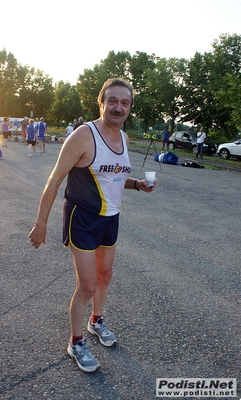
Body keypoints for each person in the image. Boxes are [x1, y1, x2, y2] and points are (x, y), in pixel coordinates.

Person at [29, 78, 158, 373]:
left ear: (129, 109)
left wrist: (136, 184)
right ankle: (76, 342)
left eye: (125, 103)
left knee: (105, 275)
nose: (118, 107)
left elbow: (111, 176)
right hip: (83, 218)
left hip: (111, 219)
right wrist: (40, 223)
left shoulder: (124, 139)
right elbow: (54, 179)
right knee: (86, 285)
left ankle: (95, 321)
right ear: (101, 103)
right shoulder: (84, 135)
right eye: (112, 101)